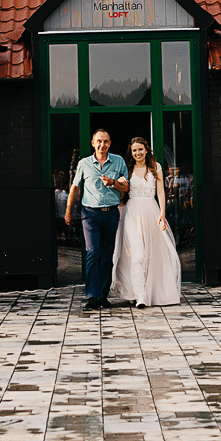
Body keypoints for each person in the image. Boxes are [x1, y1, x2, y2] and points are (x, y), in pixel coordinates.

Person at [111, 136, 182, 307]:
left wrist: (162, 213)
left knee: (152, 254)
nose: (137, 153)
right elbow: (122, 191)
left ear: (146, 150)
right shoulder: (128, 169)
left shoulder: (155, 167)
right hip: (133, 212)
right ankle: (140, 295)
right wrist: (119, 183)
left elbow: (161, 192)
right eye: (134, 150)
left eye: (140, 149)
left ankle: (152, 292)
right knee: (137, 255)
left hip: (151, 210)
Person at [64, 129, 129, 310]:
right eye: (99, 141)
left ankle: (102, 296)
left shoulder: (119, 161)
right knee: (93, 253)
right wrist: (68, 211)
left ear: (110, 143)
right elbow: (75, 188)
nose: (102, 144)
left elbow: (126, 188)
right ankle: (92, 296)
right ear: (93, 143)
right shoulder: (84, 163)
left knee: (107, 256)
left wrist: (113, 183)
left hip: (110, 213)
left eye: (106, 141)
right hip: (90, 214)